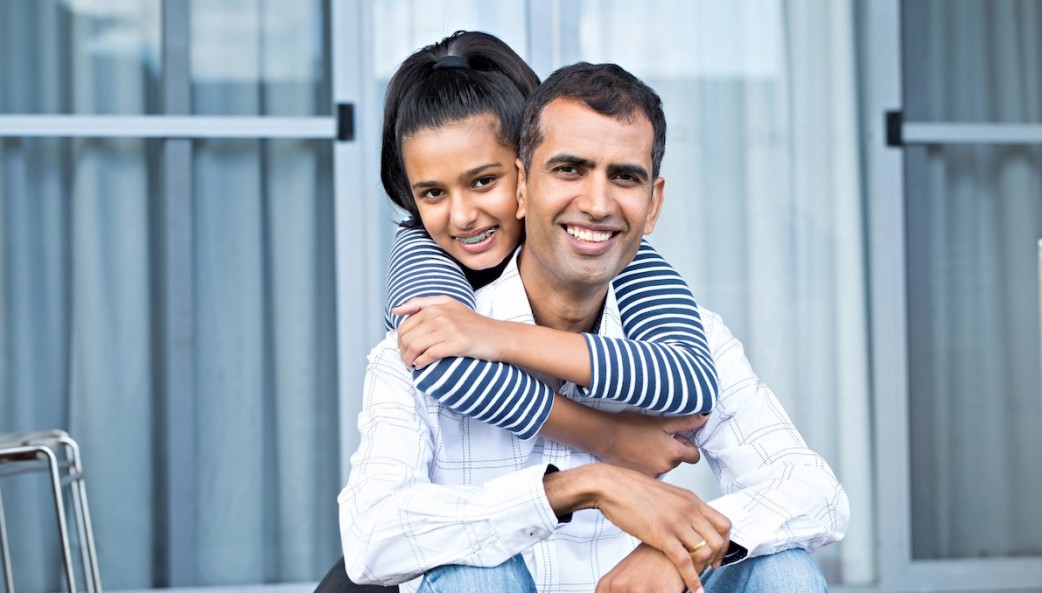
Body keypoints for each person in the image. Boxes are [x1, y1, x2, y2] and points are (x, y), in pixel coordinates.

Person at [339, 60, 849, 592]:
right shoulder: (424, 342)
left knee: (782, 570)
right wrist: (578, 487)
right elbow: (371, 537)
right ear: (523, 185)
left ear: (652, 205)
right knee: (473, 575)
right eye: (568, 170)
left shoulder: (686, 334)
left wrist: (681, 547)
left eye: (625, 177)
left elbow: (817, 492)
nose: (597, 204)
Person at [379, 31, 718, 470]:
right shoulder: (422, 249)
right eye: (432, 193)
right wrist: (608, 436)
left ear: (528, 173)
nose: (461, 216)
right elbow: (442, 362)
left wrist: (494, 337)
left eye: (484, 181)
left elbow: (688, 379)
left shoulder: (603, 246)